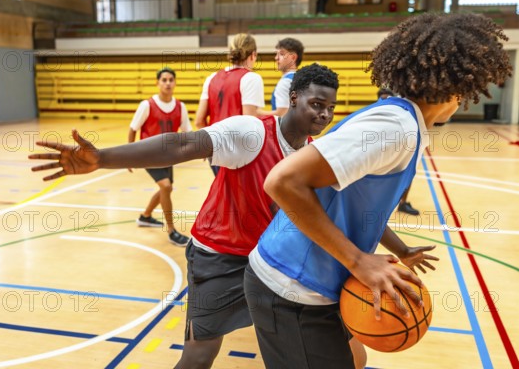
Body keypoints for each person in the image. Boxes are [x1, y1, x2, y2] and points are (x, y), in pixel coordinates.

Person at [243, 13, 512, 369]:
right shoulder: (396, 128)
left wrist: (399, 249)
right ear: (454, 89)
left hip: (314, 279)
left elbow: (353, 204)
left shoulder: (404, 124)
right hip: (290, 282)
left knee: (355, 358)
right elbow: (281, 182)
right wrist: (359, 261)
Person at [30, 63, 340, 369]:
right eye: (316, 104)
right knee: (198, 357)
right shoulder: (252, 132)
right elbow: (182, 144)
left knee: (311, 346)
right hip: (219, 257)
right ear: (294, 97)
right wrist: (103, 158)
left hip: (269, 261)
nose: (324, 114)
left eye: (330, 107)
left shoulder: (312, 155)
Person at [128, 67, 190, 246]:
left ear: (175, 83)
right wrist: (130, 155)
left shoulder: (180, 106)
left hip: (168, 156)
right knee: (166, 185)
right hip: (148, 153)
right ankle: (171, 231)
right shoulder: (147, 105)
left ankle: (145, 216)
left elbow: (187, 132)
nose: (168, 83)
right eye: (164, 80)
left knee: (166, 189)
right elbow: (133, 128)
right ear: (157, 83)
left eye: (171, 79)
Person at [194, 33, 265, 176]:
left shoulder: (211, 78)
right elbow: (250, 122)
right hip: (237, 151)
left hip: (214, 149)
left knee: (225, 196)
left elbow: (199, 120)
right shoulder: (251, 78)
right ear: (253, 55)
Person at [377, 87, 420, 216]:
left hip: (400, 148)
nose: (384, 99)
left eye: (387, 97)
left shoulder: (400, 111)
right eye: (382, 97)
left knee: (408, 175)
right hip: (381, 151)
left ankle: (402, 203)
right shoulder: (376, 110)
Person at [263, 37, 304, 117]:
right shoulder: (301, 79)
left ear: (293, 57)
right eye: (276, 54)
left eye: (281, 54)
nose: (276, 58)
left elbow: (282, 115)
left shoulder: (286, 82)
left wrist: (256, 113)